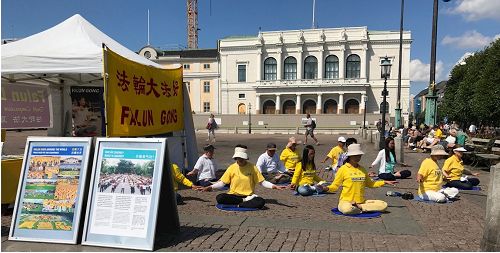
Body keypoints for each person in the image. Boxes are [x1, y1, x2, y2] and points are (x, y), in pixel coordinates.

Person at [198, 145, 287, 209]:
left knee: (261, 202)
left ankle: (240, 204)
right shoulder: (231, 168)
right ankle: (243, 202)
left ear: (245, 158)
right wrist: (210, 187)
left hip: (249, 196)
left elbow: (262, 182)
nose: (239, 160)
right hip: (234, 196)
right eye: (238, 158)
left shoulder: (253, 167)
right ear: (235, 158)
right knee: (220, 197)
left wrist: (274, 186)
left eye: (241, 158)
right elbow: (222, 183)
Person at [319, 144, 397, 214]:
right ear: (349, 156)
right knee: (347, 209)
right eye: (355, 155)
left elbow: (370, 184)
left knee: (383, 205)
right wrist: (326, 188)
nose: (358, 158)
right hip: (346, 202)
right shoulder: (343, 169)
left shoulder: (362, 169)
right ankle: (360, 208)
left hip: (361, 202)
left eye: (359, 155)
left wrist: (384, 182)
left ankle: (360, 208)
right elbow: (335, 186)